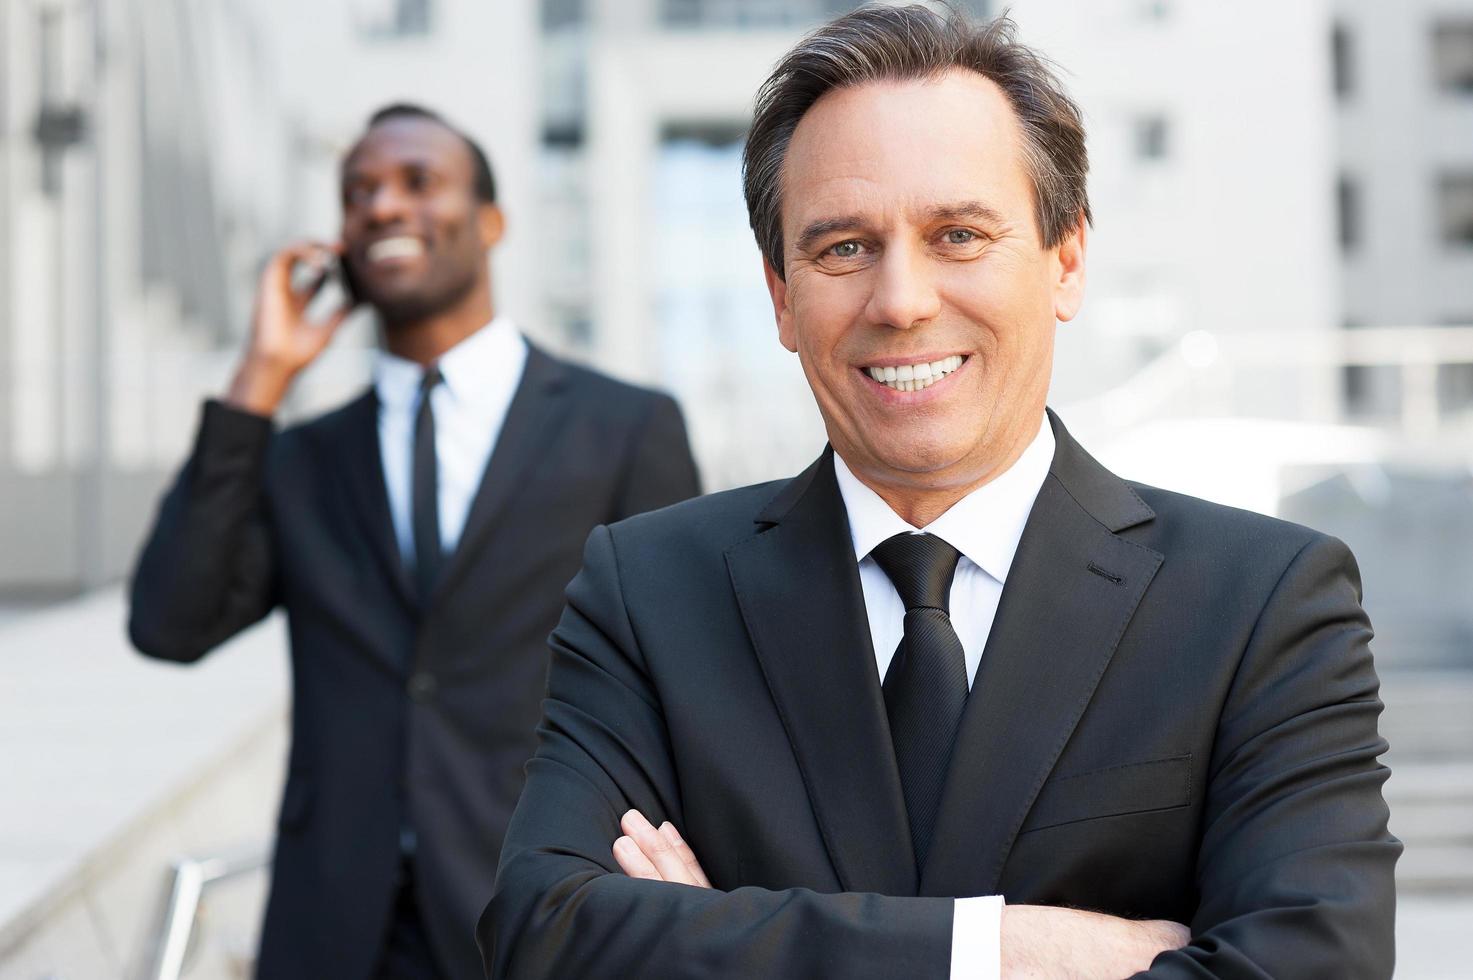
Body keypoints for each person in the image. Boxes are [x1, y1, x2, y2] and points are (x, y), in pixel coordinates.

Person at [480, 8, 1399, 979]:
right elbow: (549, 940)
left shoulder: (1264, 604)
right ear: (782, 297)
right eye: (843, 248)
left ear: (1068, 258)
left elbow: (1310, 966)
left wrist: (721, 939)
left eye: (959, 234)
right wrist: (999, 948)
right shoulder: (646, 591)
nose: (903, 299)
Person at [128, 103, 700, 980]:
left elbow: (686, 681)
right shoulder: (302, 458)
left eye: (416, 183)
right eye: (358, 194)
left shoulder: (622, 429)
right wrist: (260, 379)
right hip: (335, 927)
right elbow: (170, 622)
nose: (382, 206)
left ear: (490, 222)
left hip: (540, 913)